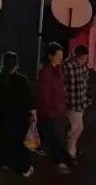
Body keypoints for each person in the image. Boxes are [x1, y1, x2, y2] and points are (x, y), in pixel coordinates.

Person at [0, 51, 35, 177]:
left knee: (4, 139)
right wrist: (33, 114)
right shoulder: (22, 80)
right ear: (16, 65)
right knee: (21, 143)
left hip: (2, 117)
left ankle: (5, 162)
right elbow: (29, 100)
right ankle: (24, 168)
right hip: (20, 118)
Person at [36, 42, 72, 173]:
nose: (60, 59)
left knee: (57, 135)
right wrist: (52, 112)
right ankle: (59, 161)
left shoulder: (58, 69)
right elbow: (44, 95)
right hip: (50, 112)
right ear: (50, 56)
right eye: (58, 56)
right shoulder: (46, 72)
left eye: (61, 56)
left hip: (58, 109)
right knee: (57, 137)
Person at [63, 44, 91, 162]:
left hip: (80, 102)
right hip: (72, 103)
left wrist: (87, 98)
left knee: (75, 128)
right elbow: (63, 86)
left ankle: (72, 148)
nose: (85, 61)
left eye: (86, 59)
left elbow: (86, 83)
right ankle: (69, 152)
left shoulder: (82, 66)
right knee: (77, 128)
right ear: (76, 57)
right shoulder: (67, 66)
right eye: (83, 59)